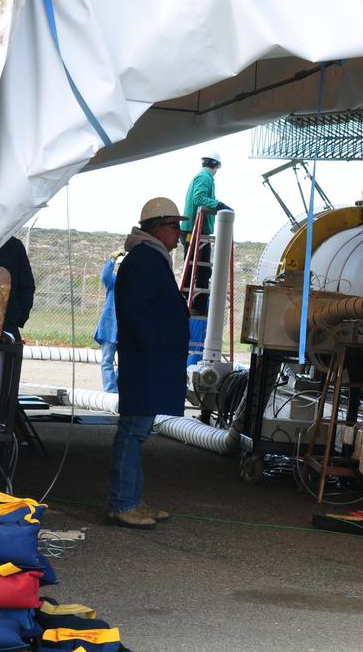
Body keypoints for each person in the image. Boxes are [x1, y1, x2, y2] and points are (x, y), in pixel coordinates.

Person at [108, 197, 190, 529]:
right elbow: (135, 312)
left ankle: (132, 499)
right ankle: (123, 503)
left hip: (148, 360)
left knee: (136, 433)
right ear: (157, 228)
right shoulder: (144, 260)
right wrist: (155, 345)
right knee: (132, 433)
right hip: (145, 362)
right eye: (175, 226)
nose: (179, 234)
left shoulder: (149, 258)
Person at [180, 150, 230, 314]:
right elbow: (199, 198)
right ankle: (189, 304)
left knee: (202, 270)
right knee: (193, 270)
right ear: (215, 165)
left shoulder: (205, 177)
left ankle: (199, 304)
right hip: (194, 231)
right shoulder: (204, 177)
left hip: (199, 231)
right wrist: (219, 205)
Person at [0, 236, 35, 342]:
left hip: (4, 324)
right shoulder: (13, 245)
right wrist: (16, 319)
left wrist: (17, 318)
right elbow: (27, 287)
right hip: (6, 324)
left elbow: (27, 287)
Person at [94, 250, 124, 394]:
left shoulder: (133, 285)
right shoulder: (113, 281)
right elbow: (105, 276)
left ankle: (119, 389)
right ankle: (110, 391)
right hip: (109, 327)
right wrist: (112, 259)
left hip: (124, 329)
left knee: (124, 362)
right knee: (107, 360)